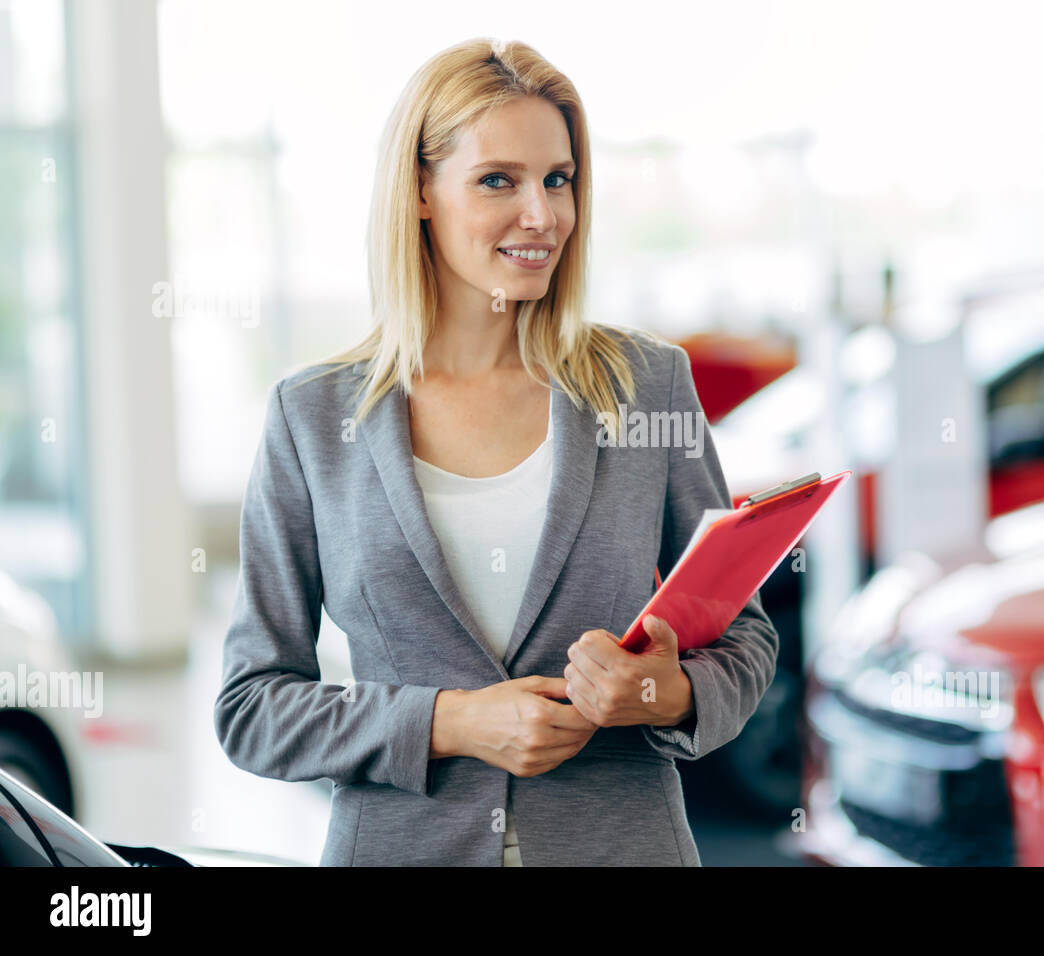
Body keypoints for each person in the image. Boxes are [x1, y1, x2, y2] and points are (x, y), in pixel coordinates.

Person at [213, 36, 778, 866]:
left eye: (558, 179)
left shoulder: (647, 385)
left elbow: (748, 640)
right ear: (419, 193)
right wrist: (450, 722)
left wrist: (662, 691)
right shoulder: (312, 416)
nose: (542, 215)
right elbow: (252, 707)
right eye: (497, 181)